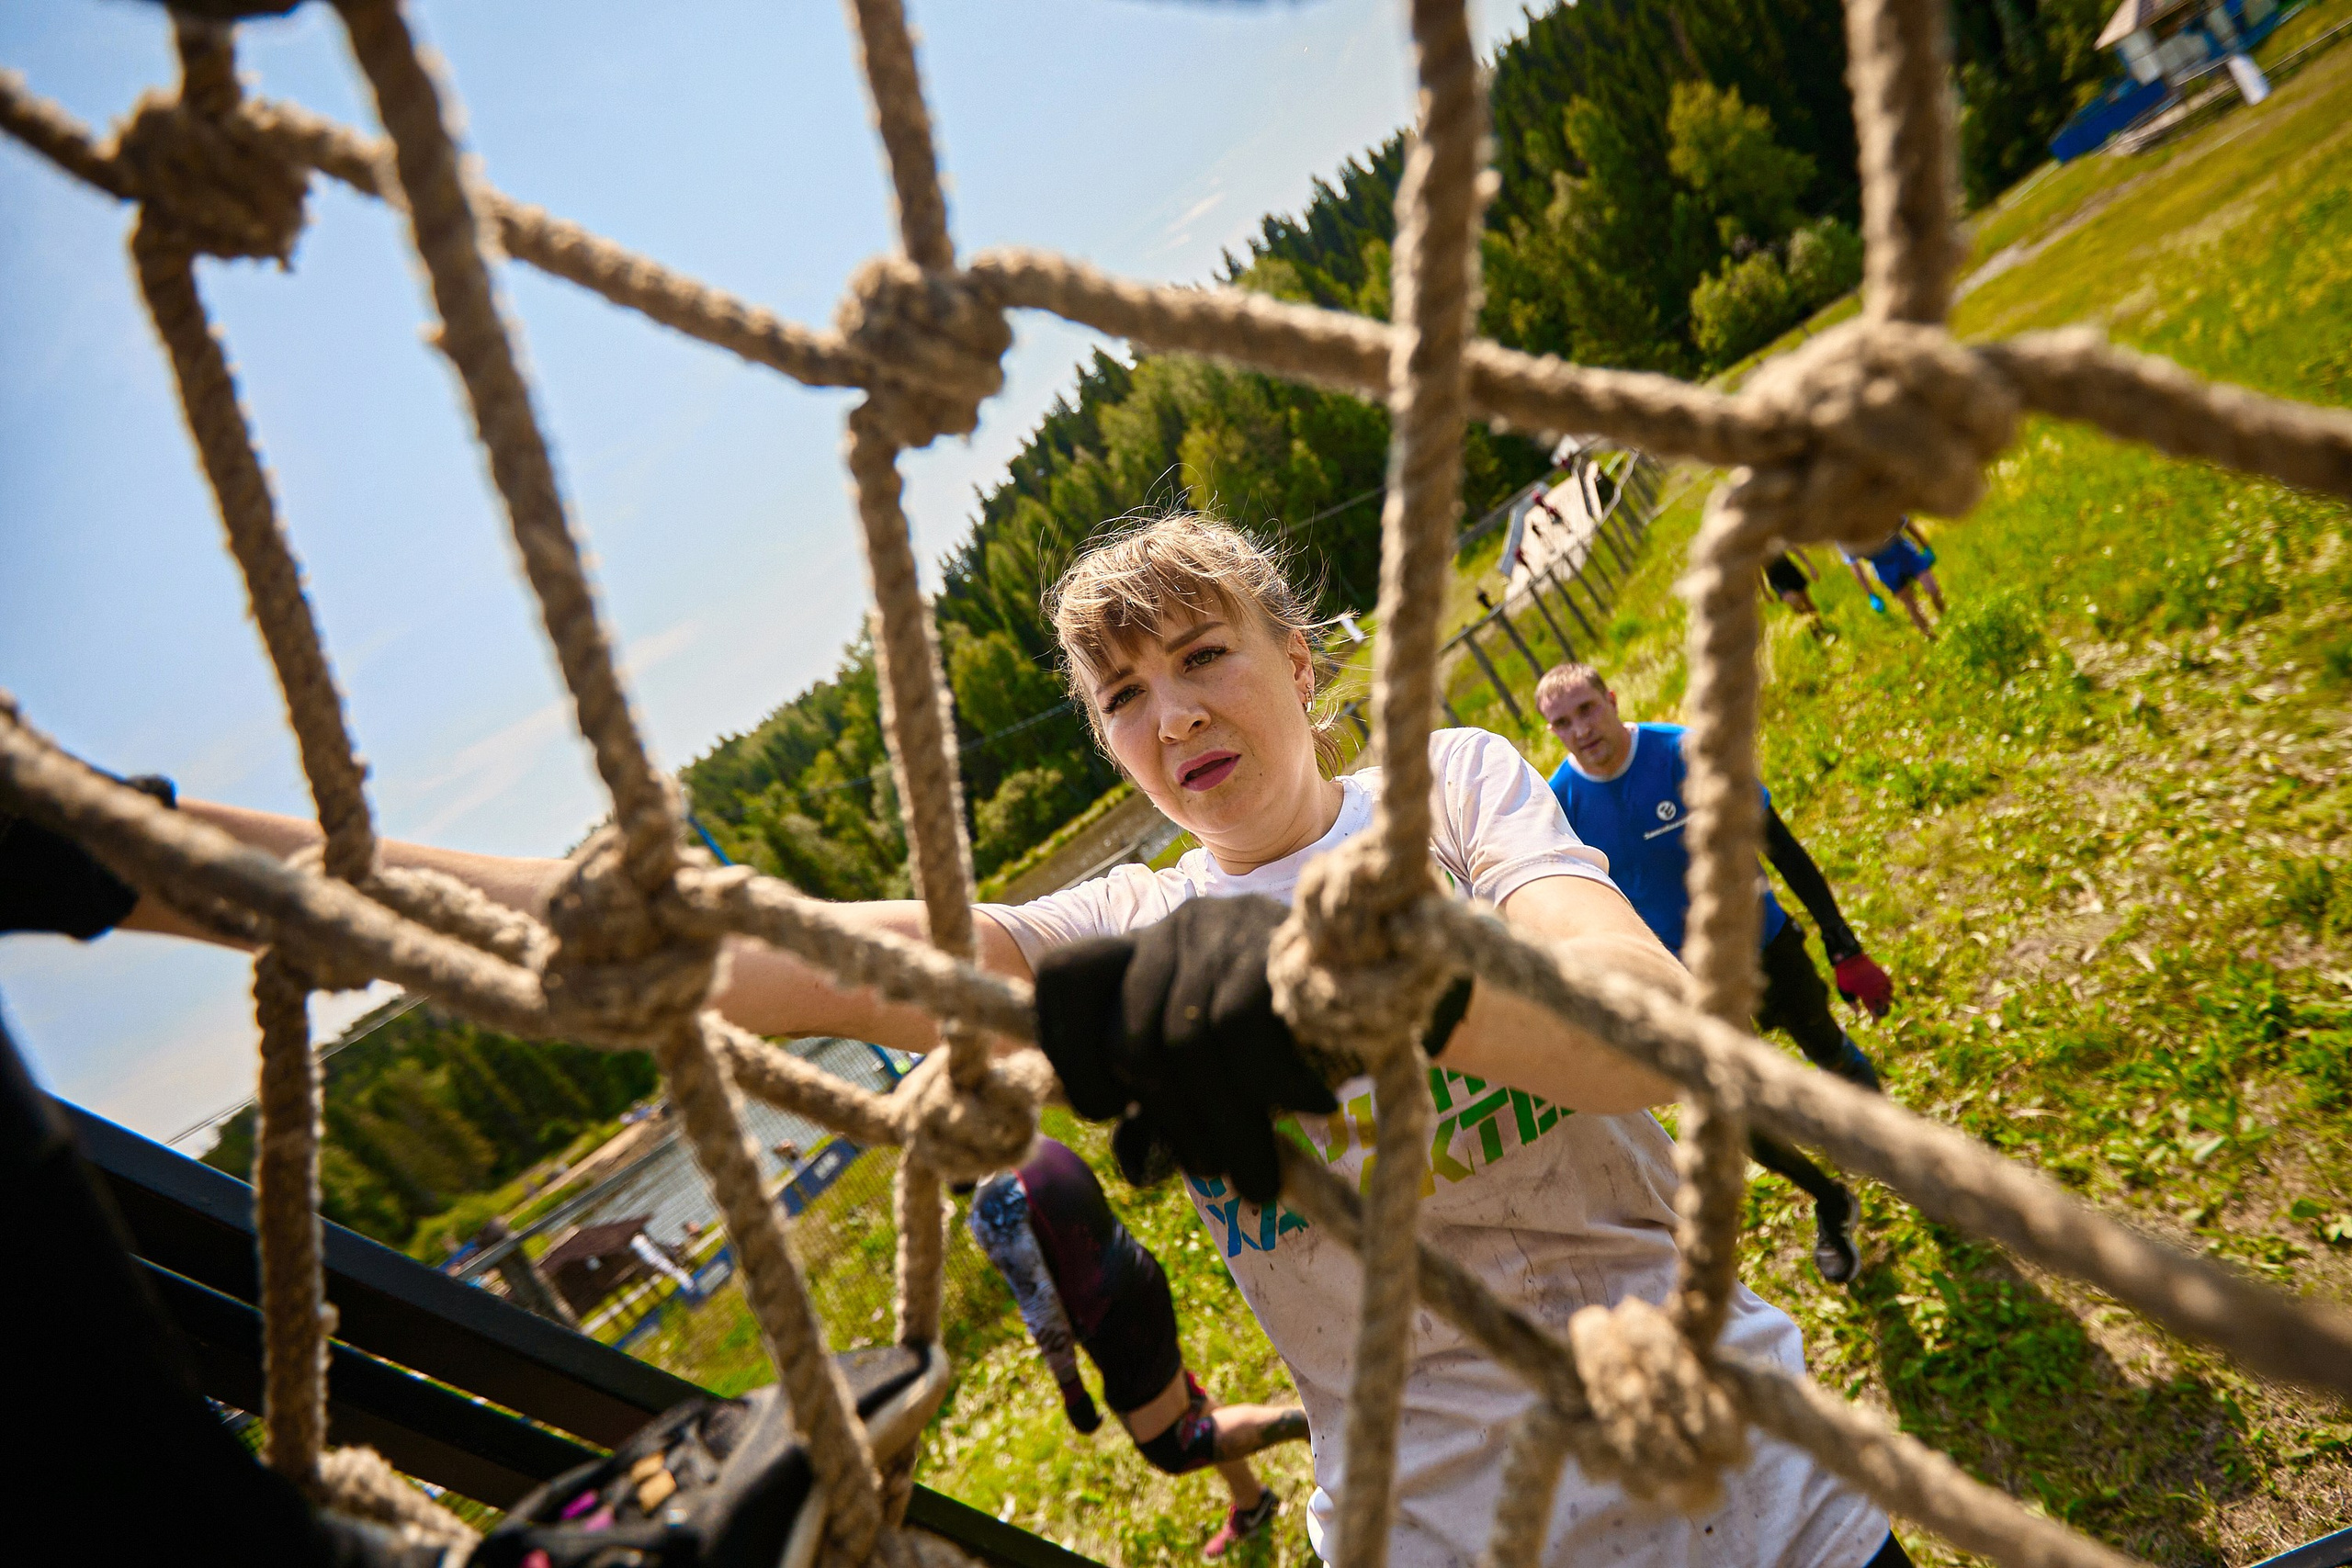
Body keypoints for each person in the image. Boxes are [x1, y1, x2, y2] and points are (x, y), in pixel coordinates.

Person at [16, 513, 1906, 1568]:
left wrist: (1364, 992)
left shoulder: (1452, 786)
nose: (1170, 713)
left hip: (1747, 1490)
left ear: (1301, 656)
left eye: (1202, 654)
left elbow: (1654, 1030)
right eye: (1120, 692)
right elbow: (760, 949)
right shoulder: (1120, 933)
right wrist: (143, 848)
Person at [1531, 661, 1896, 1286]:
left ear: (1613, 699)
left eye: (1587, 709)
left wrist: (1844, 945)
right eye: (1561, 722)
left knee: (1827, 1049)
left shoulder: (1684, 752)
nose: (1580, 729)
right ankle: (1830, 1200)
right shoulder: (1560, 805)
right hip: (1685, 985)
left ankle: (1897, 1153)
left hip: (1763, 947)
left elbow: (1780, 847)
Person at [967, 1135, 1304, 1558]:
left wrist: (1071, 1389)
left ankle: (1312, 1427)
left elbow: (1040, 1304)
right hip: (1138, 1280)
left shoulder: (993, 1205)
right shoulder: (1039, 1143)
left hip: (1114, 1325)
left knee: (1175, 1444)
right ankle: (1253, 1503)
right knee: (1187, 1405)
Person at [1838, 518, 1945, 638]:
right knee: (1910, 603)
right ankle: (1931, 637)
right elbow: (1855, 567)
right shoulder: (1843, 535)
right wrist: (1871, 594)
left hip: (1903, 552)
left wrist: (1926, 546)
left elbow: (1906, 523)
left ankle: (1947, 620)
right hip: (1883, 566)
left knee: (1932, 589)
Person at [1762, 547, 1829, 637]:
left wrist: (1810, 566)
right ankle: (1813, 628)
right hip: (1777, 580)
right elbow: (1756, 570)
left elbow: (1794, 548)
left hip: (1789, 570)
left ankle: (1819, 628)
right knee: (1795, 603)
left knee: (1807, 602)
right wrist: (1764, 592)